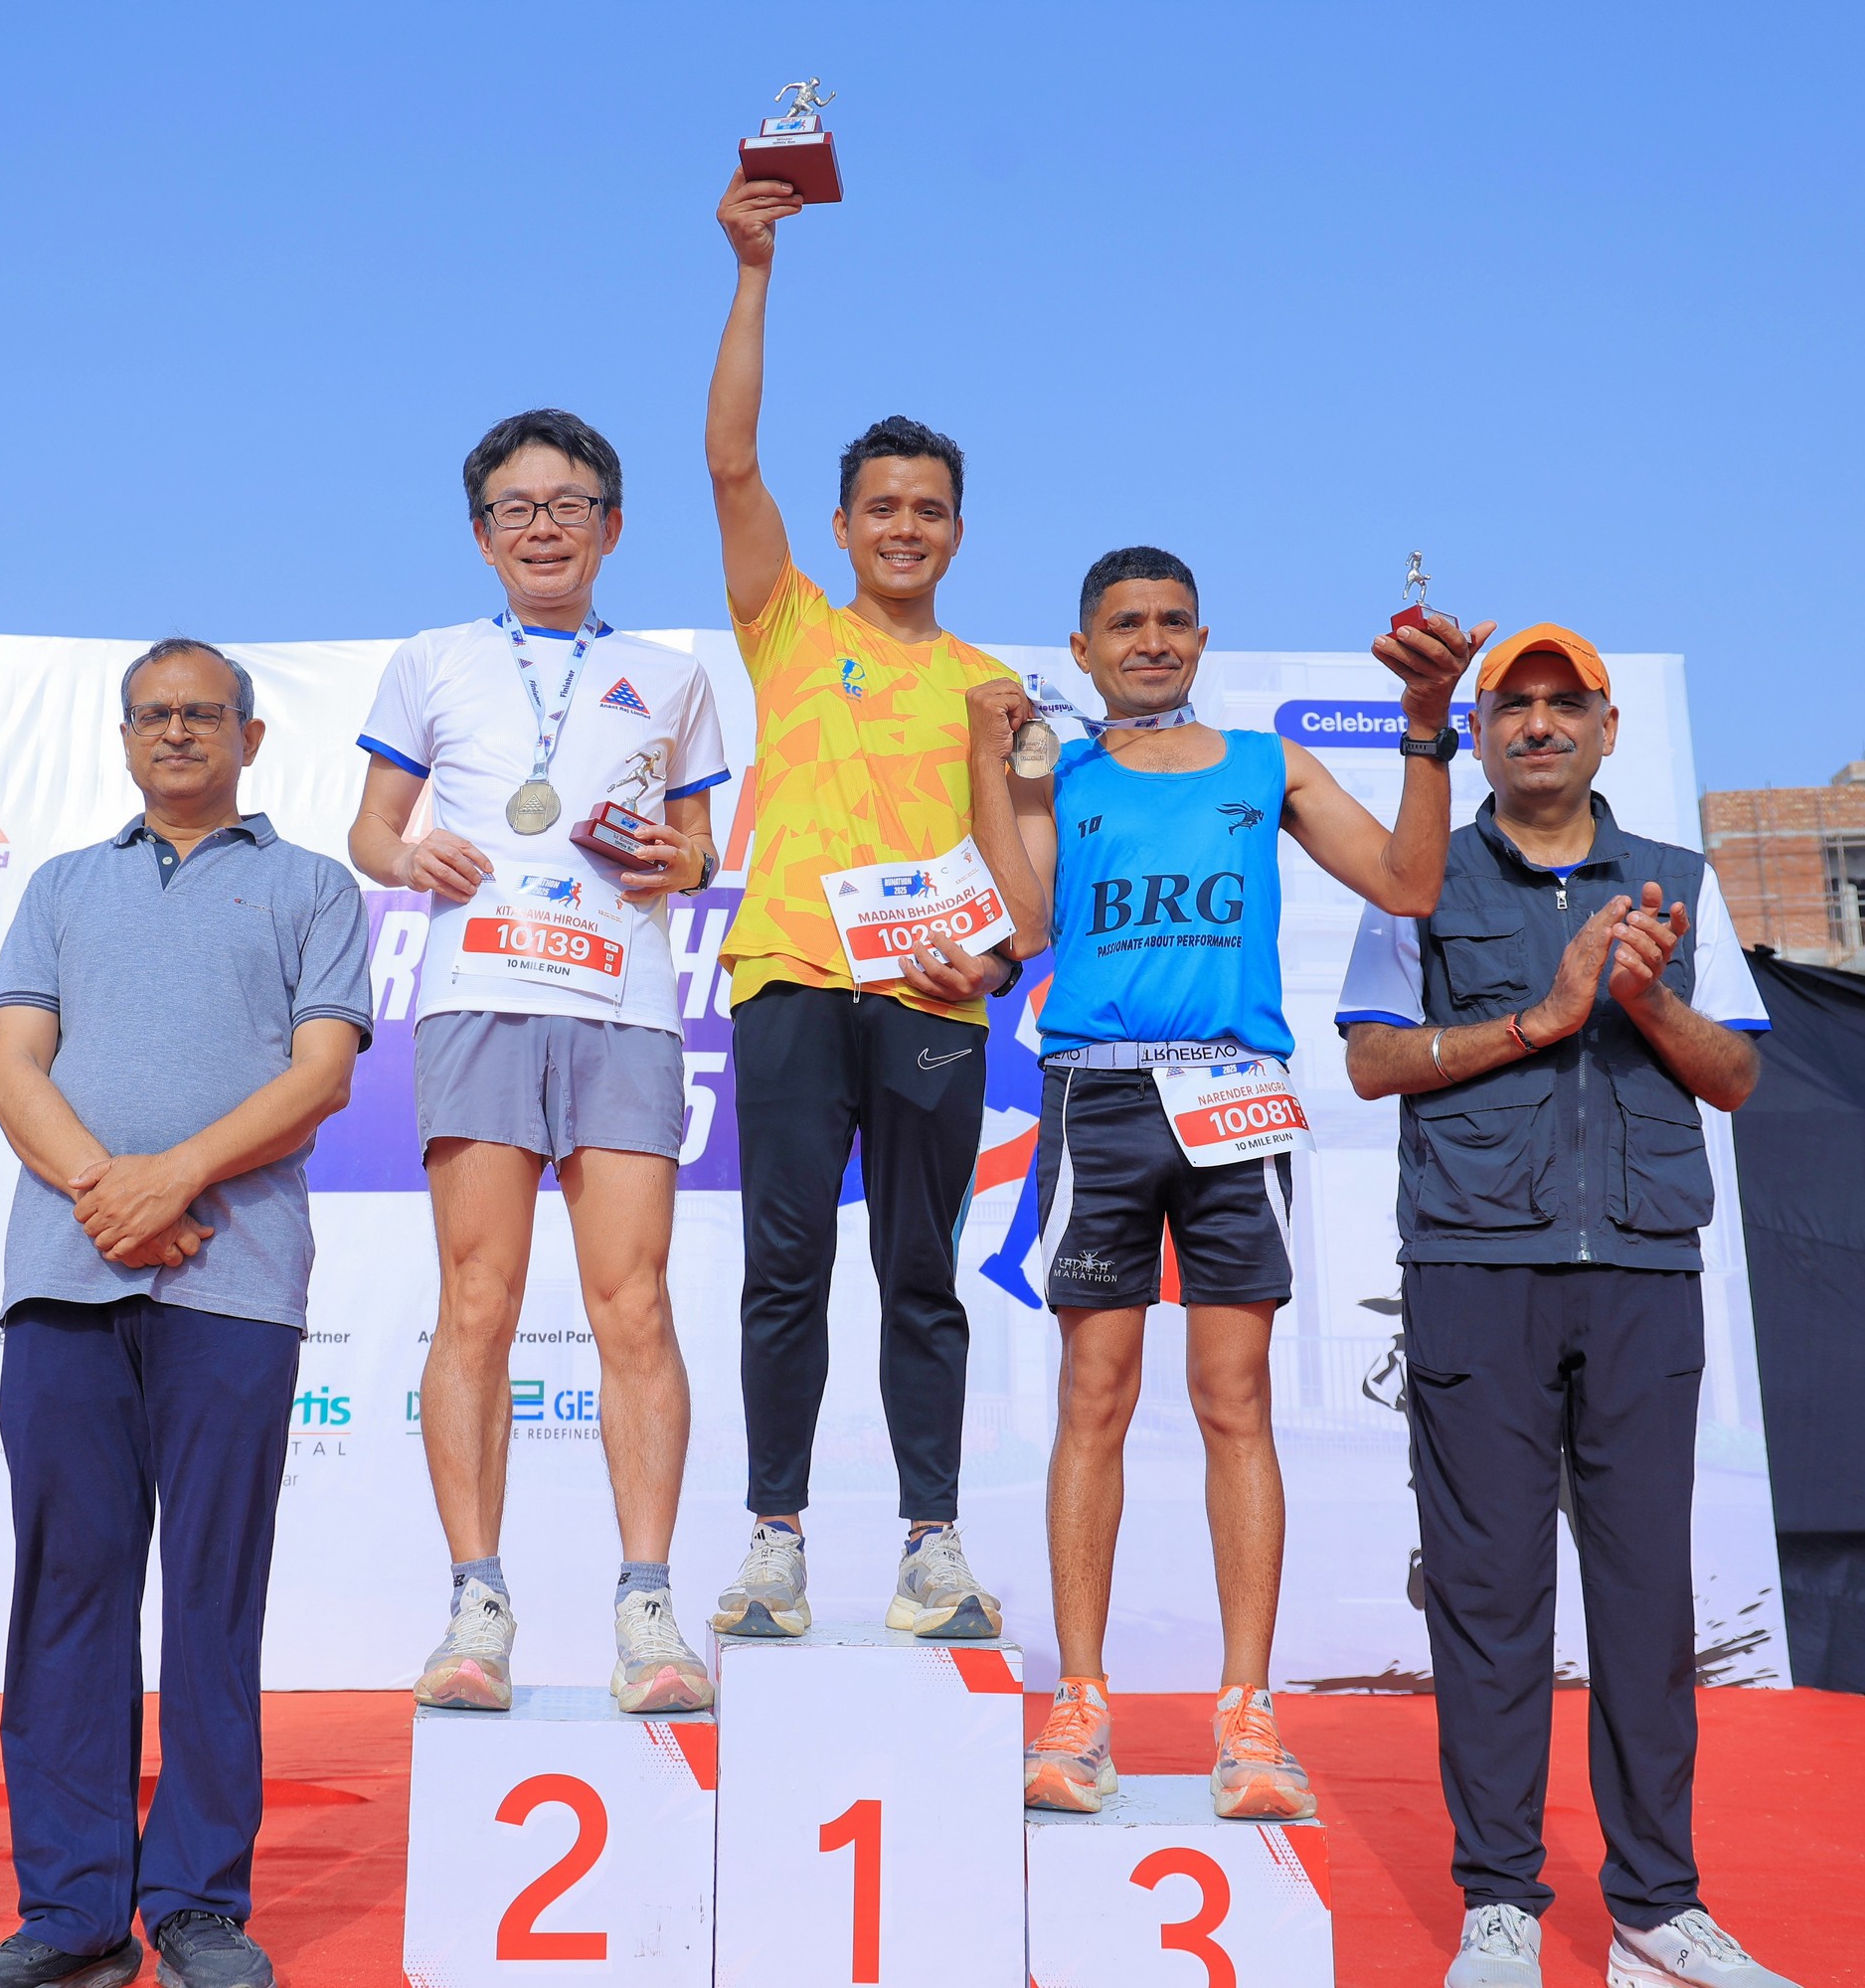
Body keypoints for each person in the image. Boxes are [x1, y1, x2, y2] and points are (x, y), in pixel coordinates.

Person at [1334, 627, 1794, 1988]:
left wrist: (1641, 999)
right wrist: (1548, 1011)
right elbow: (1372, 1062)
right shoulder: (1416, 877)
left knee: (1647, 1599)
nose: (1538, 724)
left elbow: (1737, 1079)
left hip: (1643, 1274)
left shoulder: (1676, 882)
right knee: (1487, 1596)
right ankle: (1500, 1904)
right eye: (1513, 705)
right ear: (1478, 733)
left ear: (1606, 727)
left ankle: (1658, 1908)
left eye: (1564, 703)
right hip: (1476, 1269)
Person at [1010, 549, 1481, 1820]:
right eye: (1125, 623)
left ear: (1203, 640)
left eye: (1173, 621)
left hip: (1235, 1098)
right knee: (1093, 1397)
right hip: (1099, 1091)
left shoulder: (1268, 764)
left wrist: (1426, 733)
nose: (1151, 640)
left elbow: (1409, 882)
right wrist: (1001, 778)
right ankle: (1082, 1702)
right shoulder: (1062, 770)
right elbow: (1023, 925)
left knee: (1236, 1401)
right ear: (1084, 647)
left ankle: (1247, 1713)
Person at [0, 640, 371, 1988]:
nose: (176, 731)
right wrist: (109, 1192)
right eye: (152, 715)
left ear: (251, 736)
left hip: (233, 1285)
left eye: (201, 713)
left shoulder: (314, 885)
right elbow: (12, 1067)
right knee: (65, 1596)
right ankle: (71, 1913)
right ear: (125, 737)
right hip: (63, 1279)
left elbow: (320, 1076)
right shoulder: (61, 885)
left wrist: (174, 1179)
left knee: (211, 1596)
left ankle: (196, 1902)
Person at [702, 170, 1046, 1644]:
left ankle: (931, 1546)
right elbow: (730, 460)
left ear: (958, 531)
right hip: (790, 978)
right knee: (783, 1268)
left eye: (931, 510)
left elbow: (1027, 875)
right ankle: (774, 1541)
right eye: (883, 507)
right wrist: (754, 272)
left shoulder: (993, 685)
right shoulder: (789, 626)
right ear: (842, 525)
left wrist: (999, 956)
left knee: (921, 1274)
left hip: (928, 1005)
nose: (906, 527)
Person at [348, 411, 730, 1717]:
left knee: (635, 1304)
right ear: (482, 535)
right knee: (478, 1300)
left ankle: (647, 1608)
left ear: (612, 526)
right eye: (517, 508)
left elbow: (703, 848)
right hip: (480, 997)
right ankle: (477, 1604)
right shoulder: (433, 659)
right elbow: (371, 830)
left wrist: (680, 859)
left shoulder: (670, 675)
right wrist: (411, 855)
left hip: (624, 1003)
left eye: (570, 504)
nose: (544, 527)